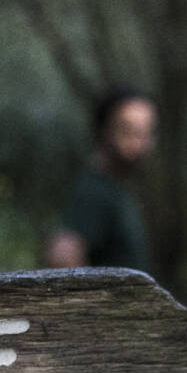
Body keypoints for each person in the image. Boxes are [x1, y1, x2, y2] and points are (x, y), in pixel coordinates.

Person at [46, 88, 156, 271]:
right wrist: (92, 300)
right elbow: (62, 256)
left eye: (146, 132)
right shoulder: (96, 191)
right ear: (105, 130)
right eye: (128, 130)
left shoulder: (116, 190)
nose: (139, 143)